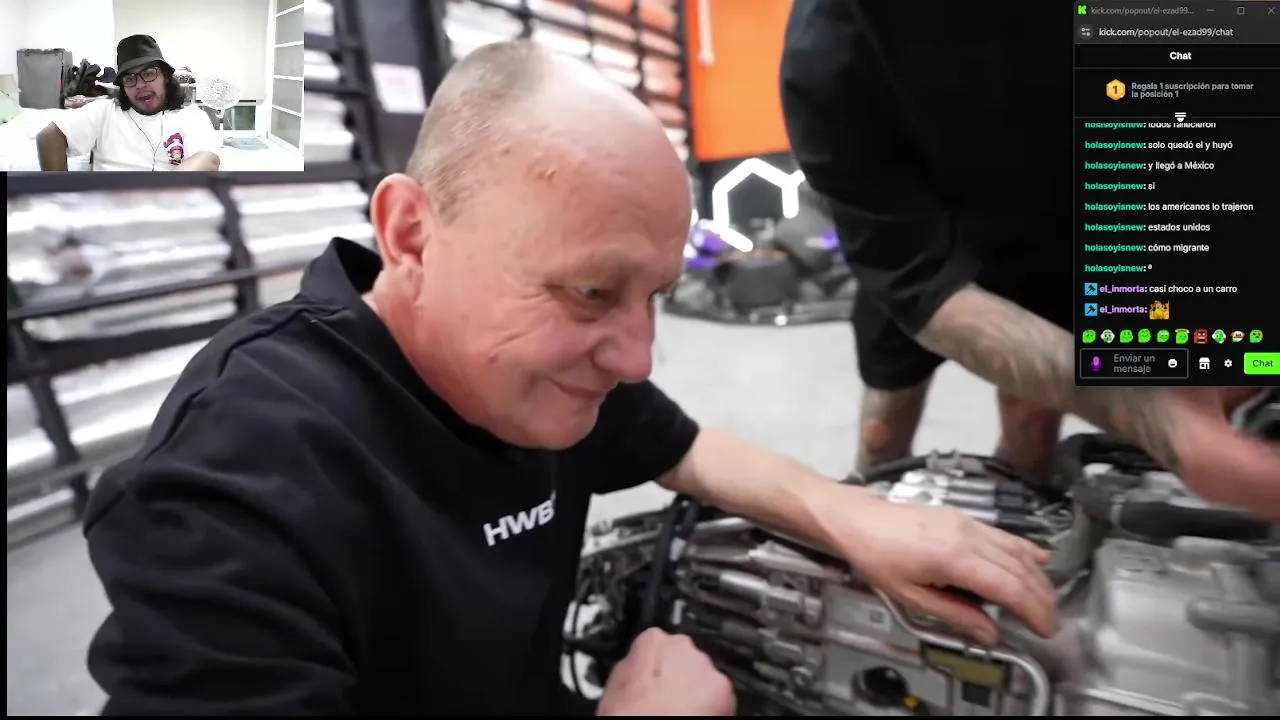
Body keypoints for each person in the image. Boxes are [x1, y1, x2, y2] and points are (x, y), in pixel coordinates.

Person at [83, 41, 1057, 716]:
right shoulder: (235, 482)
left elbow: (684, 448)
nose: (635, 357)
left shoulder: (535, 370)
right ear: (410, 234)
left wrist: (858, 517)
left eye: (655, 297)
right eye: (590, 292)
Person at [779, 1, 1280, 514]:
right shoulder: (829, 55)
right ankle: (874, 501)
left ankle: (1032, 511)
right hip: (922, 224)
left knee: (1032, 429)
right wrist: (1148, 413)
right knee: (884, 424)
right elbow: (920, 283)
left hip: (1057, 217)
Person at [36, 34, 220, 172]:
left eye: (149, 73)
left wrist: (161, 190)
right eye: (130, 78)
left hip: (169, 203)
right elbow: (49, 136)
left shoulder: (191, 116)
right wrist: (60, 195)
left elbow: (208, 158)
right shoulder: (104, 112)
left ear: (165, 75)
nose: (140, 84)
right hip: (109, 206)